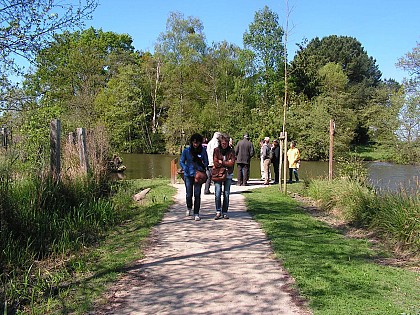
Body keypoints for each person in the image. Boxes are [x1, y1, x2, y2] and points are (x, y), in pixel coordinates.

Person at [180, 133, 209, 221]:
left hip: (198, 174)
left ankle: (196, 213)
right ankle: (189, 208)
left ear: (200, 142)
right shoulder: (186, 151)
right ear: (192, 142)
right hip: (188, 175)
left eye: (197, 143)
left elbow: (206, 162)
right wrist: (185, 168)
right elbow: (181, 161)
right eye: (194, 142)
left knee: (197, 194)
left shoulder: (203, 150)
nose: (195, 144)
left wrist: (203, 165)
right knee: (189, 194)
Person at [213, 134, 235, 219]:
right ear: (220, 143)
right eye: (222, 143)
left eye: (226, 143)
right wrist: (226, 163)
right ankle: (218, 211)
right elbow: (215, 162)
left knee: (226, 194)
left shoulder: (231, 151)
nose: (224, 144)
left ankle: (225, 211)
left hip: (228, 174)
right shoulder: (216, 150)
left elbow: (232, 163)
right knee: (217, 193)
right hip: (218, 174)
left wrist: (222, 162)